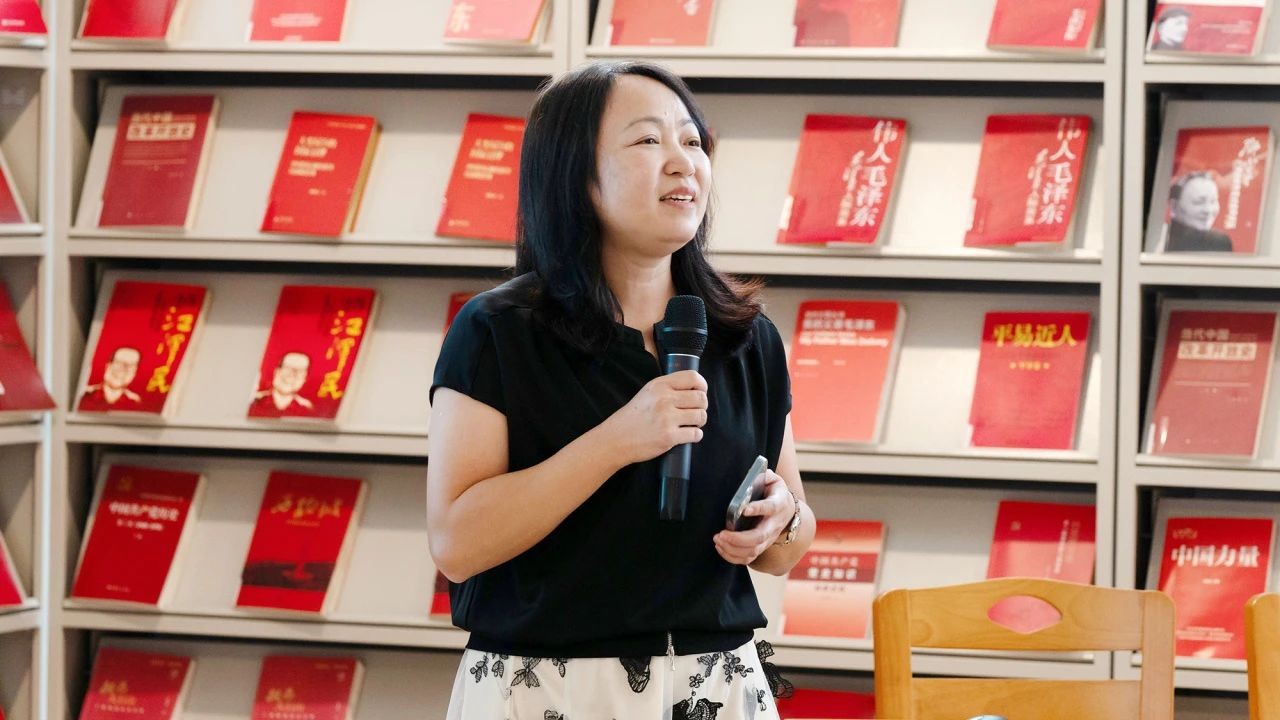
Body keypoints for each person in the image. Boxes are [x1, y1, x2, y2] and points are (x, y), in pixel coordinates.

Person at [428, 60, 814, 719]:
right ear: (575, 174)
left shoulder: (746, 338)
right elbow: (457, 546)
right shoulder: (499, 331)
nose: (682, 162)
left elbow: (787, 545)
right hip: (548, 688)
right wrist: (615, 442)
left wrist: (782, 519)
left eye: (692, 141)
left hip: (715, 685)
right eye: (648, 140)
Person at [1164, 171, 1234, 252]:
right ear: (1174, 205)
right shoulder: (1163, 239)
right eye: (1199, 202)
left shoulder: (1220, 243)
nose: (1208, 210)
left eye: (1213, 201)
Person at [248, 350, 315, 417]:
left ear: (305, 379)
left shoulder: (306, 409)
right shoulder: (254, 400)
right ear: (277, 372)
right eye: (288, 368)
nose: (291, 375)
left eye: (299, 371)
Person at [78, 346, 143, 411]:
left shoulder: (136, 403)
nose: (122, 370)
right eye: (118, 363)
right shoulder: (83, 394)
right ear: (108, 366)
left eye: (130, 366)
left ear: (134, 373)